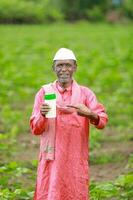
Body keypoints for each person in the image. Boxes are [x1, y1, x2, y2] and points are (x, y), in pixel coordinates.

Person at [30, 48, 108, 200]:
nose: (64, 69)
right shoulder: (44, 93)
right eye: (59, 66)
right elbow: (35, 128)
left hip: (76, 156)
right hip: (51, 158)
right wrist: (42, 114)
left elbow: (102, 121)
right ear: (53, 68)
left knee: (75, 190)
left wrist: (90, 114)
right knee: (50, 190)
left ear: (75, 67)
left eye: (68, 65)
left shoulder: (85, 94)